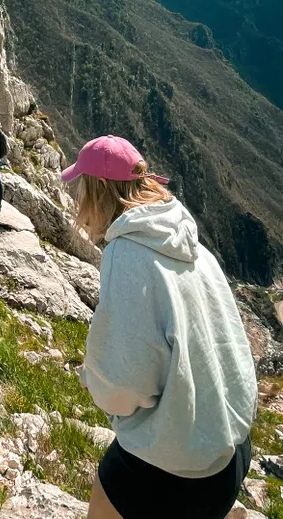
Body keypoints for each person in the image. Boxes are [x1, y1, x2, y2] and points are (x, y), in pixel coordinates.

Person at [61, 135, 257, 519]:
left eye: (81, 186)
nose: (77, 200)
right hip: (234, 447)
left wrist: (94, 382)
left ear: (99, 187)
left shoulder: (126, 252)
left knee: (106, 495)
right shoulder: (188, 240)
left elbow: (125, 384)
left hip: (186, 468)